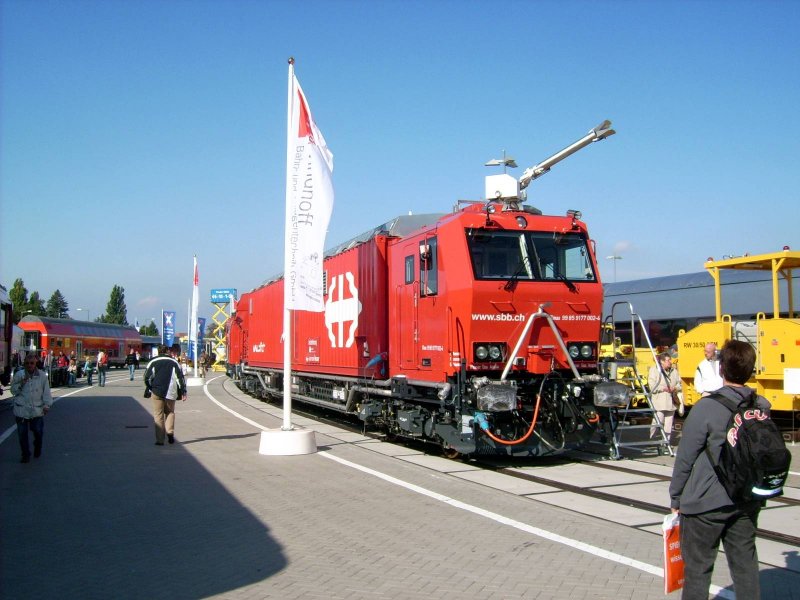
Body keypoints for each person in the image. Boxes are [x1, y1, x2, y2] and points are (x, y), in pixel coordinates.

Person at [669, 340, 768, 599]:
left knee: (698, 571)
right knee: (745, 567)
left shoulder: (706, 408)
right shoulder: (762, 406)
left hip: (705, 503)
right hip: (746, 499)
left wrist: (676, 497)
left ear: (721, 369)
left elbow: (685, 458)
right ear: (751, 369)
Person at [10, 353, 54, 463]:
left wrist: (47, 405)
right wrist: (21, 384)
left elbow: (46, 392)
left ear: (36, 364)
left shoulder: (42, 376)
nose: (29, 365)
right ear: (24, 364)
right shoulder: (19, 375)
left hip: (37, 410)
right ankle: (25, 454)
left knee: (38, 432)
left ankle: (37, 445)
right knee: (22, 434)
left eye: (32, 363)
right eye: (27, 363)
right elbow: (13, 391)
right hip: (22, 410)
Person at [144, 344, 187, 446]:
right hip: (171, 391)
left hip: (157, 391)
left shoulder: (153, 362)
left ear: (158, 351)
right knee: (170, 412)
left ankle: (160, 440)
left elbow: (147, 377)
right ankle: (170, 433)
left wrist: (151, 388)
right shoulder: (174, 362)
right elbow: (180, 378)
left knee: (158, 415)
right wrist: (183, 392)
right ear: (168, 351)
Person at [647, 351, 681, 444]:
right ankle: (652, 438)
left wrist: (675, 388)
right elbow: (652, 386)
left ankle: (666, 442)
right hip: (659, 401)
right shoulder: (654, 370)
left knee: (669, 424)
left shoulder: (674, 371)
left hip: (671, 402)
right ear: (662, 362)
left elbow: (679, 384)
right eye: (668, 360)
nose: (670, 362)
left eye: (670, 360)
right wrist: (663, 388)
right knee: (658, 421)